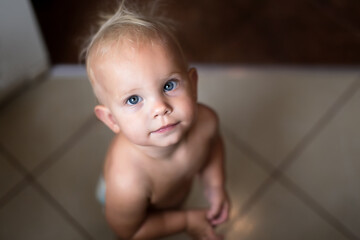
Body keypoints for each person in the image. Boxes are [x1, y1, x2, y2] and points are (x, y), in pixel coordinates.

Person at [83, 1, 229, 239]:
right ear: (111, 120)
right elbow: (130, 231)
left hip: (171, 194)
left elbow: (213, 145)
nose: (160, 108)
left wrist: (215, 185)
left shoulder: (207, 121)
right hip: (129, 205)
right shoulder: (126, 182)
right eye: (133, 100)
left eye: (169, 85)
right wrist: (187, 220)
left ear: (193, 84)